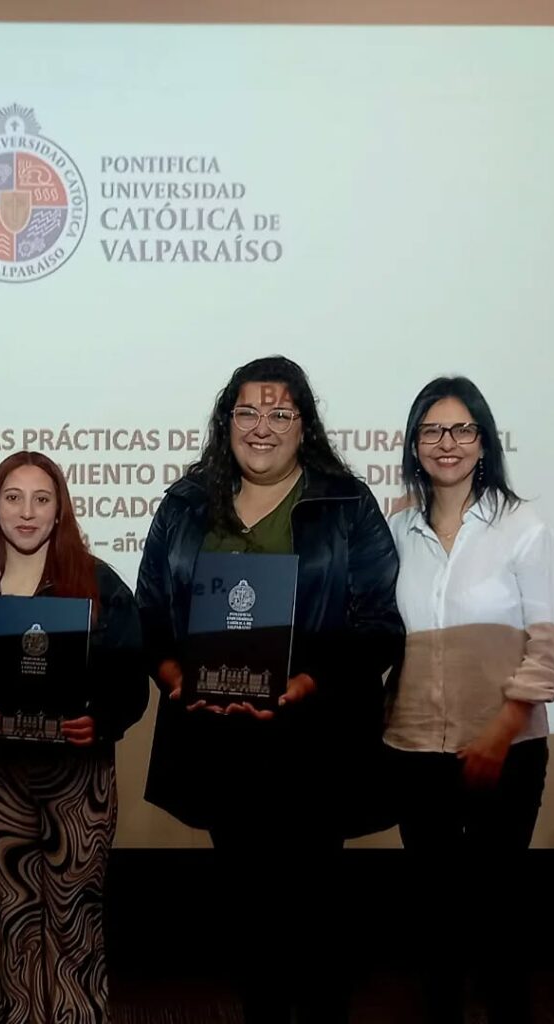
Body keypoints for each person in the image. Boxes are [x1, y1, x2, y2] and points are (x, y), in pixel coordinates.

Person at [136, 355, 404, 1024]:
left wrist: (311, 680)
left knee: (314, 924)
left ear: (304, 425)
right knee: (247, 921)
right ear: (225, 421)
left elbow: (379, 625)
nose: (262, 426)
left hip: (315, 748)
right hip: (216, 743)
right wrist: (174, 677)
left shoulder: (346, 504)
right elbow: (149, 613)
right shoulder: (186, 503)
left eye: (280, 412)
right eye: (248, 411)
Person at [384, 375, 554, 1023]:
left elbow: (546, 648)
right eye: (432, 430)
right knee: (433, 921)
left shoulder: (524, 528)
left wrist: (501, 729)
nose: (447, 443)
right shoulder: (396, 528)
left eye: (462, 429)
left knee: (498, 919)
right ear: (414, 443)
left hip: (504, 751)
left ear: (484, 441)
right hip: (413, 750)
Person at [0, 451, 148, 1024]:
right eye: (13, 498)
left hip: (80, 778)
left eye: (41, 499)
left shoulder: (99, 583)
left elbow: (132, 681)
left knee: (74, 917)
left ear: (60, 511)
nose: (27, 512)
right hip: (0, 779)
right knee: (13, 916)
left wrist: (101, 721)